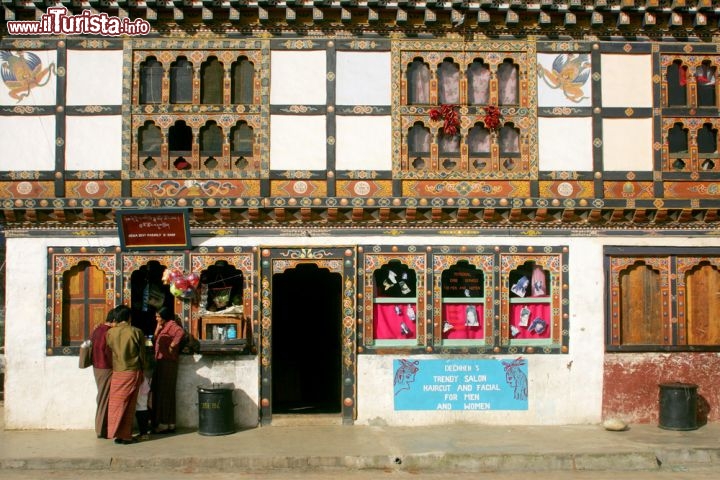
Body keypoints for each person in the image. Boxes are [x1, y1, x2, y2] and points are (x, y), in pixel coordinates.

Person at [106, 304, 147, 445]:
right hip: (132, 370)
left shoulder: (110, 333)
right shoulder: (136, 332)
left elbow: (110, 349)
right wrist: (144, 369)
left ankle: (117, 433)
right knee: (129, 404)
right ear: (129, 317)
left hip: (118, 371)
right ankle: (126, 435)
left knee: (116, 403)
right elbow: (142, 355)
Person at [152, 306, 185, 434]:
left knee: (165, 393)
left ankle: (164, 423)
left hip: (168, 363)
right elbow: (155, 340)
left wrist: (172, 345)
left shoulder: (171, 325)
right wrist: (157, 328)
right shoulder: (163, 326)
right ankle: (170, 423)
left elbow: (180, 333)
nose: (156, 318)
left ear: (164, 316)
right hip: (162, 362)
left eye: (158, 316)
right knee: (165, 393)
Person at [90, 309, 116, 438]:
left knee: (102, 396)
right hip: (106, 367)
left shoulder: (97, 330)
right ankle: (102, 429)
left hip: (97, 367)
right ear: (114, 321)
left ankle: (102, 428)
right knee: (105, 398)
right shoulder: (108, 332)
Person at [135, 369, 152, 441]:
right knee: (143, 407)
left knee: (140, 409)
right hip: (144, 384)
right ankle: (144, 433)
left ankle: (143, 433)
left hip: (139, 382)